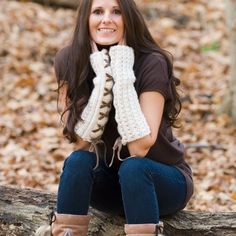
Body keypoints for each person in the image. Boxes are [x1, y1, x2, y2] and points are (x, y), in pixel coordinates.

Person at [36, 0, 193, 235]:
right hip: (111, 186)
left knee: (134, 168)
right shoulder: (69, 61)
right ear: (85, 20)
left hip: (163, 182)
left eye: (116, 12)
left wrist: (121, 74)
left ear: (128, 19)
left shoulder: (152, 62)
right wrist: (102, 82)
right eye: (98, 11)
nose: (106, 19)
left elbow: (140, 147)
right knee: (77, 161)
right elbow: (80, 142)